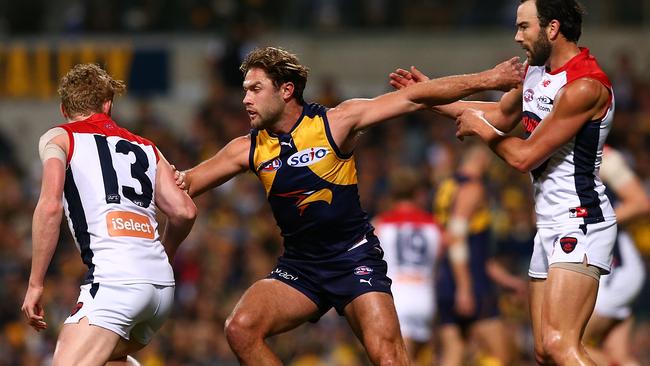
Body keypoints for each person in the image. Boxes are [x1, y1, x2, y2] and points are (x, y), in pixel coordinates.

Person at [175, 46, 522, 365]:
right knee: (240, 328)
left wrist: (490, 78)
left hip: (353, 258)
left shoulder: (335, 122)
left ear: (286, 90)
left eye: (255, 89)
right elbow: (186, 182)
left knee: (388, 358)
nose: (245, 99)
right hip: (301, 267)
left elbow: (415, 98)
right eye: (245, 89)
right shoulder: (247, 148)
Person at [391, 0, 616, 364]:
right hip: (549, 224)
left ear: (552, 28)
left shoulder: (584, 87)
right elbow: (496, 114)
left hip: (582, 219)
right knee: (543, 351)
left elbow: (525, 156)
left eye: (524, 27)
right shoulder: (535, 73)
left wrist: (483, 133)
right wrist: (429, 96)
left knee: (560, 344)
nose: (517, 36)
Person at [20, 64, 197, 366]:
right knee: (108, 358)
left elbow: (50, 206)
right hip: (160, 290)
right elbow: (184, 211)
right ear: (108, 105)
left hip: (116, 283)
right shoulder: (147, 147)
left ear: (64, 109)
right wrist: (165, 254)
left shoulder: (59, 138)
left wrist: (35, 283)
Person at [433, 144, 524, 366]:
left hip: (446, 280)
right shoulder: (473, 189)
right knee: (503, 355)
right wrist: (464, 287)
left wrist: (509, 281)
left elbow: (477, 252)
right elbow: (457, 238)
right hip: (470, 283)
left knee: (455, 351)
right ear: (483, 160)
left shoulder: (446, 186)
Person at [583, 146, 649, 366]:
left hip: (615, 269)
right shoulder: (558, 148)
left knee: (565, 344)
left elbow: (640, 202)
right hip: (606, 270)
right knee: (619, 357)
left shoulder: (603, 155)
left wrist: (589, 223)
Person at [374, 167, 443, 364]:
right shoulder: (434, 225)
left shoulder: (380, 224)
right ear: (418, 193)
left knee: (401, 359)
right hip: (425, 296)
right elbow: (442, 257)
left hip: (397, 297)